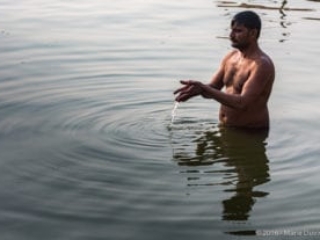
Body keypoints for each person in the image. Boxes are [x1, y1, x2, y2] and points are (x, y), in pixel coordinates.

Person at [174, 11, 275, 129]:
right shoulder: (231, 57)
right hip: (225, 128)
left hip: (250, 132)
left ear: (253, 33)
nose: (231, 35)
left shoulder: (261, 64)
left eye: (238, 31)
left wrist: (204, 88)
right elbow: (213, 89)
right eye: (231, 30)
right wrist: (197, 90)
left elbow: (242, 103)